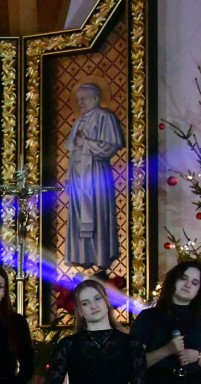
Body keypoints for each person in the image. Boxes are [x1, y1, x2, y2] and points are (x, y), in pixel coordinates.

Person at [64, 83, 125, 269]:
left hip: (96, 173)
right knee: (78, 215)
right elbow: (73, 151)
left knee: (97, 215)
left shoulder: (105, 117)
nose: (80, 102)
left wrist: (87, 143)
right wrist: (68, 177)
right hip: (78, 175)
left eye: (84, 98)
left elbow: (110, 147)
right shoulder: (79, 122)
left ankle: (100, 257)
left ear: (96, 99)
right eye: (78, 99)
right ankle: (81, 255)